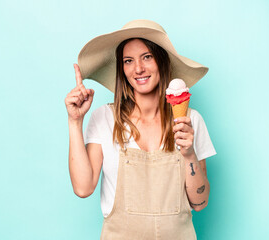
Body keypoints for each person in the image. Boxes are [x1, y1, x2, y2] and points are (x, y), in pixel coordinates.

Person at [65, 20, 216, 240]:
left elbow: (200, 203)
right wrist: (74, 122)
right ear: (122, 68)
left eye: (147, 57)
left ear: (162, 61)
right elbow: (83, 188)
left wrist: (189, 154)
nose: (138, 68)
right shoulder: (104, 119)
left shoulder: (189, 121)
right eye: (128, 61)